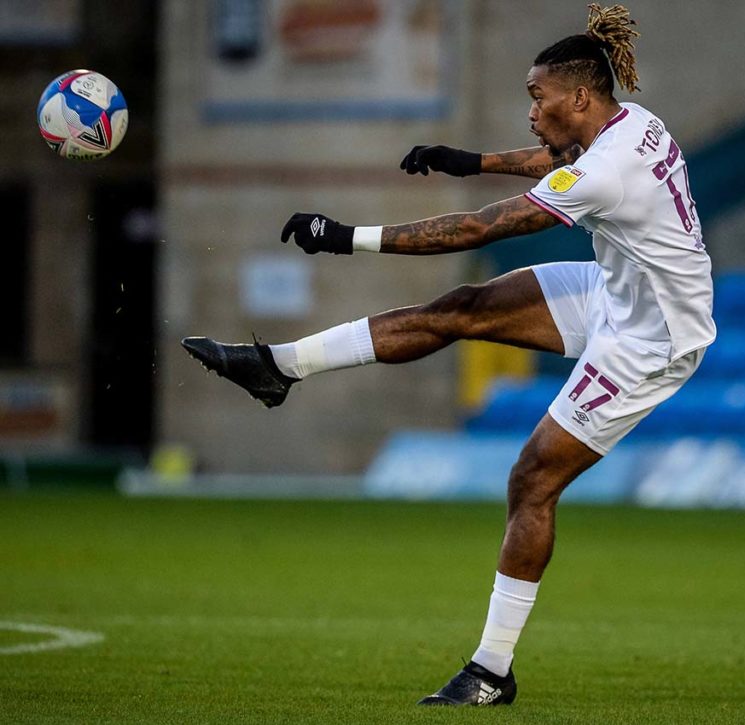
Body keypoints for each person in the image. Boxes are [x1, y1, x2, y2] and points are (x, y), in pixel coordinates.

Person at [182, 3, 715, 706]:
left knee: (530, 478)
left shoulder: (608, 168)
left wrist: (347, 236)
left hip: (654, 339)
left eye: (538, 97)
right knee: (460, 310)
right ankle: (279, 366)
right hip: (617, 293)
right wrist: (469, 162)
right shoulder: (633, 123)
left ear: (579, 96)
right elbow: (558, 159)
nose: (531, 113)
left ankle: (492, 671)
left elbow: (476, 228)